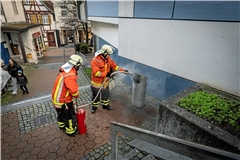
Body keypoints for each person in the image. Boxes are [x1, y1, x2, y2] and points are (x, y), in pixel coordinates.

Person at [90, 44, 128, 114]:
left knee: (106, 94)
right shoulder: (95, 60)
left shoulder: (108, 59)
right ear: (104, 53)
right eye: (108, 54)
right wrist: (106, 74)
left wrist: (123, 70)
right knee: (96, 96)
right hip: (97, 83)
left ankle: (105, 105)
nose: (109, 56)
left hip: (105, 82)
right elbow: (96, 73)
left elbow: (115, 67)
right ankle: (94, 107)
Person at [51, 54, 83, 136]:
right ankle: (71, 131)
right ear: (76, 65)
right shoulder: (70, 75)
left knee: (61, 114)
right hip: (63, 101)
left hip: (56, 100)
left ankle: (61, 125)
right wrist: (76, 95)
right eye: (79, 66)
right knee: (69, 117)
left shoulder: (65, 70)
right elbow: (73, 90)